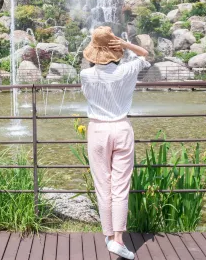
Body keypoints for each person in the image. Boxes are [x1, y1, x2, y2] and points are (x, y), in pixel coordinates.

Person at [80, 26, 150, 260]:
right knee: (120, 186)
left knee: (103, 185)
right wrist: (125, 44)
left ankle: (109, 236)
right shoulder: (127, 70)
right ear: (114, 48)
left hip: (98, 130)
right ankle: (119, 239)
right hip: (121, 127)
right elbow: (144, 54)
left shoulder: (86, 75)